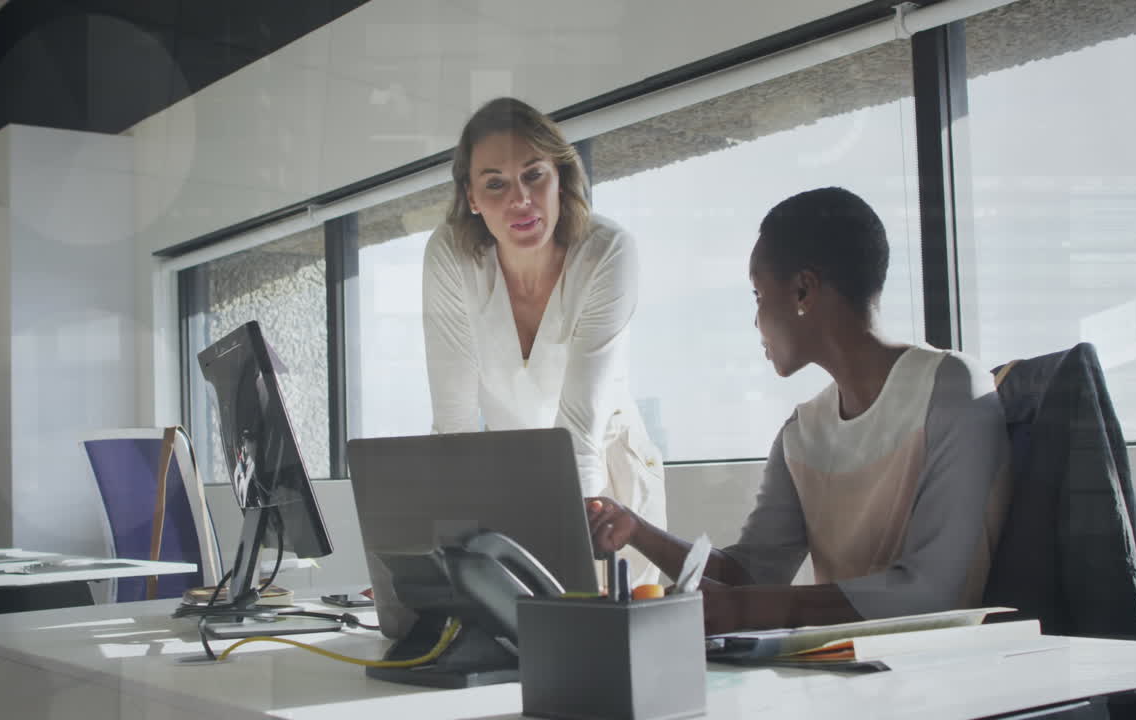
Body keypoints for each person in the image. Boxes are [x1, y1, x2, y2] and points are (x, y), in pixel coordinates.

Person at [587, 187, 1011, 634]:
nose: (756, 321)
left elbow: (932, 592)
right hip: (847, 674)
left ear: (803, 289)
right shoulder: (802, 432)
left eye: (757, 294)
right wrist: (634, 529)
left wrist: (742, 609)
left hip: (951, 678)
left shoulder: (952, 389)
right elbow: (750, 574)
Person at [422, 97, 666, 585]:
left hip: (607, 475)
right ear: (471, 196)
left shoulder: (606, 252)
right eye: (495, 184)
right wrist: (441, 556)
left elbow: (579, 430)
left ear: (560, 175)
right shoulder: (450, 255)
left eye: (534, 175)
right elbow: (453, 422)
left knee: (609, 627)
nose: (520, 200)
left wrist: (577, 565)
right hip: (510, 468)